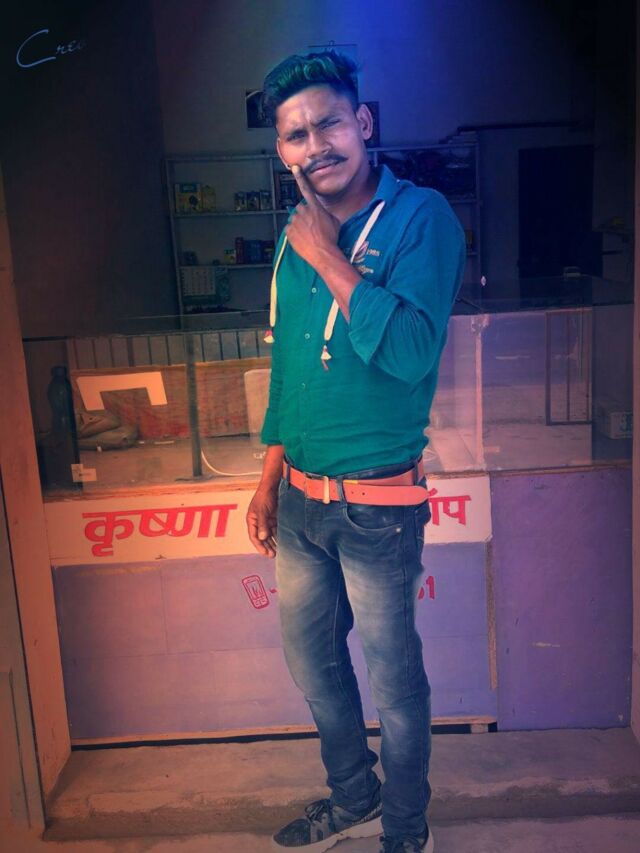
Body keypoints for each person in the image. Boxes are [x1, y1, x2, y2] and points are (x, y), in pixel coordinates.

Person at [246, 50, 465, 853]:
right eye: (296, 134)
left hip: (378, 506)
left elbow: (408, 350)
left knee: (395, 686)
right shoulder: (291, 238)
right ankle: (354, 796)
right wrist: (269, 476)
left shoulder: (421, 218)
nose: (316, 146)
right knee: (313, 665)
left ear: (363, 123)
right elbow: (289, 368)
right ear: (282, 150)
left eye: (329, 123)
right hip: (300, 501)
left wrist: (328, 255)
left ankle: (405, 831)